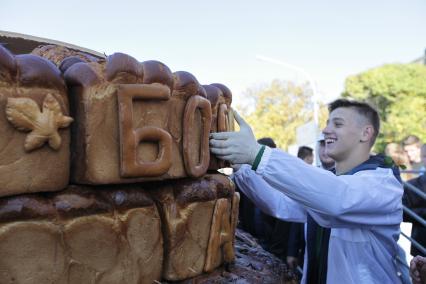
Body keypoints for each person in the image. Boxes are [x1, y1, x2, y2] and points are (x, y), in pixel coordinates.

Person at [210, 99, 407, 283]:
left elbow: (338, 199)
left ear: (366, 133)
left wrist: (257, 154)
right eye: (327, 123)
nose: (326, 130)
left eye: (337, 124)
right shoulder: (328, 183)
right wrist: (243, 167)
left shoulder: (383, 183)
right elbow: (282, 205)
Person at [403, 144, 426, 257]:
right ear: (422, 158)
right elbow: (401, 212)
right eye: (425, 156)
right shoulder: (412, 186)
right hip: (421, 248)